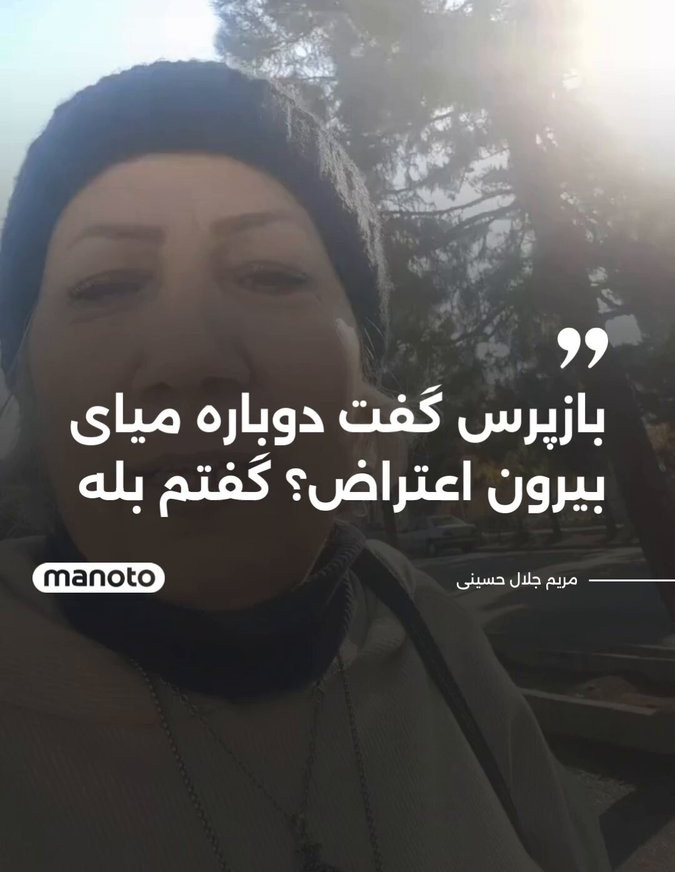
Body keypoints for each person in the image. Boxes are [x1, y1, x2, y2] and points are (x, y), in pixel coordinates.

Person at [0, 60, 609, 871]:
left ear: (363, 383)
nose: (188, 357)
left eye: (270, 274)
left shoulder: (427, 629)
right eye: (106, 285)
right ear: (27, 383)